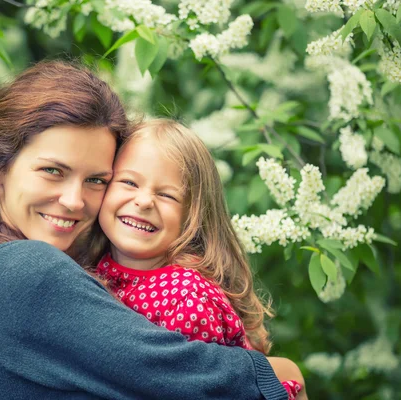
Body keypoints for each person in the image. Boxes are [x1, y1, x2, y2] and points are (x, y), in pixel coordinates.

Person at [0, 60, 306, 399]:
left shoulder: (40, 271)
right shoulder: (23, 271)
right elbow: (198, 382)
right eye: (52, 171)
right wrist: (285, 371)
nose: (74, 201)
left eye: (96, 179)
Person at [90, 119, 302, 398]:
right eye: (129, 182)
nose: (143, 201)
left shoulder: (186, 296)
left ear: (193, 217)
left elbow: (199, 389)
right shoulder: (93, 264)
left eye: (166, 195)